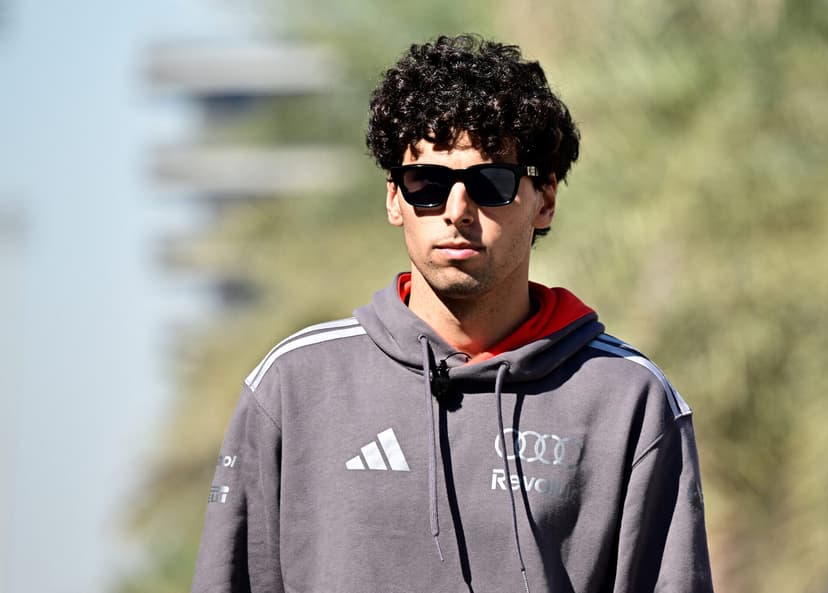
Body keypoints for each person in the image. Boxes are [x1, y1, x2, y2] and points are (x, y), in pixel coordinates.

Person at [191, 34, 714, 593]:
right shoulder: (294, 386)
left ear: (545, 199)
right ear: (394, 198)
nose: (458, 211)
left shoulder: (628, 399)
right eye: (428, 184)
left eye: (491, 183)